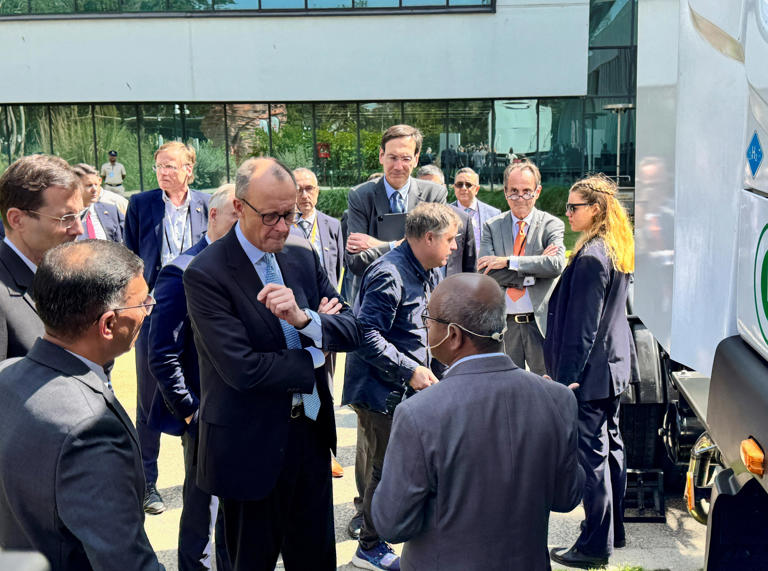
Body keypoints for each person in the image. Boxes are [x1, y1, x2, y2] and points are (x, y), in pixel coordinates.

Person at [183, 157, 361, 571]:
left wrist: (305, 319)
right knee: (249, 561)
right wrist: (316, 351)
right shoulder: (206, 273)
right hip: (249, 447)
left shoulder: (300, 252)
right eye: (270, 216)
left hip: (311, 437)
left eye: (290, 214)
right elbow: (243, 369)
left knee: (316, 560)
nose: (282, 227)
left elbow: (352, 329)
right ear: (239, 207)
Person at [371, 273, 584, 571]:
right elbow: (567, 497)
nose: (426, 329)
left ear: (453, 335)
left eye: (429, 322)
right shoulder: (557, 399)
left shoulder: (419, 413)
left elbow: (391, 524)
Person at [0, 240, 163, 571]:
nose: (149, 308)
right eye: (143, 303)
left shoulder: (7, 376)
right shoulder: (89, 429)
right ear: (108, 325)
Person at [343, 202, 458, 571]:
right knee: (383, 473)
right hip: (380, 393)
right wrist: (410, 371)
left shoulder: (428, 269)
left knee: (405, 469)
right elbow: (365, 335)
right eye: (450, 239)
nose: (455, 246)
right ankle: (370, 547)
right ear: (429, 238)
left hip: (407, 390)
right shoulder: (389, 273)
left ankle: (398, 534)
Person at [545, 174, 635, 570]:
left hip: (590, 376)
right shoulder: (613, 248)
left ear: (595, 209)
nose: (567, 212)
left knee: (592, 460)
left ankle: (595, 545)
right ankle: (613, 532)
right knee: (611, 450)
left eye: (573, 206)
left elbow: (582, 329)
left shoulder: (592, 258)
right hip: (611, 370)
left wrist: (565, 381)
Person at [146, 183, 237, 571]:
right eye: (236, 217)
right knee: (203, 507)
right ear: (213, 215)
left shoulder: (247, 266)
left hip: (241, 412)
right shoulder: (181, 271)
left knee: (235, 507)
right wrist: (190, 411)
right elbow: (162, 353)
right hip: (203, 414)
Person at [125, 141, 209, 516]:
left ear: (189, 169)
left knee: (197, 387)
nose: (163, 172)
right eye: (159, 165)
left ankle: (200, 473)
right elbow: (129, 258)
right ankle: (147, 483)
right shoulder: (141, 205)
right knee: (150, 396)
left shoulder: (207, 204)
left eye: (171, 166)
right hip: (155, 310)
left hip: (201, 311)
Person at [477, 160, 565, 375]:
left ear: (538, 192)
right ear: (505, 192)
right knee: (507, 386)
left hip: (539, 324)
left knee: (545, 384)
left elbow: (555, 265)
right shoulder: (492, 226)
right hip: (505, 326)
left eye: (527, 192)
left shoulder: (551, 225)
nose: (520, 198)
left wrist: (508, 262)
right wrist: (535, 270)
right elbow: (485, 272)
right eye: (514, 192)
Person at [289, 167, 345, 478]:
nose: (304, 195)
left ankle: (328, 451)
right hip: (293, 319)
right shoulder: (285, 228)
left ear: (318, 191)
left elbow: (340, 271)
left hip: (325, 319)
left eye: (309, 188)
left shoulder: (332, 225)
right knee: (298, 382)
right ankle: (302, 446)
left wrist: (333, 311)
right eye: (298, 189)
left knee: (327, 383)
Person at [0, 154, 84, 361]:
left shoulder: (67, 276)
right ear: (17, 219)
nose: (79, 229)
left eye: (79, 215)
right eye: (66, 218)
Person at [345, 124, 446, 280]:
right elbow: (356, 261)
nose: (398, 166)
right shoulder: (360, 196)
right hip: (375, 287)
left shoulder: (433, 195)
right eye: (392, 157)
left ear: (416, 159)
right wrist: (408, 245)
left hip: (420, 288)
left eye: (406, 158)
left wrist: (377, 245)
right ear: (381, 156)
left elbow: (436, 251)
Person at [415, 165, 476, 276]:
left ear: (443, 188)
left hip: (453, 284)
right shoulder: (410, 220)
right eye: (425, 188)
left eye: (435, 187)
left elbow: (470, 266)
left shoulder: (463, 218)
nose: (430, 193)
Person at [72, 163, 125, 243]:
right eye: (89, 185)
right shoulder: (66, 218)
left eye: (96, 184)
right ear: (75, 187)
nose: (95, 189)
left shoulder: (112, 211)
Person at [450, 167, 500, 248]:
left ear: (477, 189)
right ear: (454, 187)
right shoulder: (446, 213)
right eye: (459, 184)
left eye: (468, 185)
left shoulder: (494, 215)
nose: (463, 188)